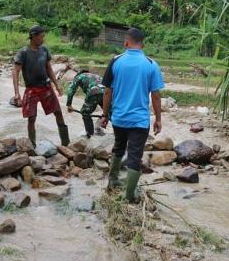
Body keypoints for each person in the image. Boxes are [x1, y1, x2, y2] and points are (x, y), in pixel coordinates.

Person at [101, 28, 164, 203]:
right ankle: (128, 195)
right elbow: (156, 95)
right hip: (139, 120)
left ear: (126, 43)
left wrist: (105, 115)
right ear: (142, 44)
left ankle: (112, 181)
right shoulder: (151, 64)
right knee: (135, 155)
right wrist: (158, 119)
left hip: (119, 119)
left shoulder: (115, 61)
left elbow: (107, 92)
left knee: (118, 148)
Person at [12, 25, 70, 148]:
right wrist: (16, 93)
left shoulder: (44, 50)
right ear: (33, 36)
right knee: (31, 118)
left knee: (58, 112)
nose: (43, 39)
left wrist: (57, 85)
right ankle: (32, 145)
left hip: (46, 87)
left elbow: (48, 68)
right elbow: (15, 72)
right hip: (31, 89)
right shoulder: (23, 52)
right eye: (41, 37)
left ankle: (66, 144)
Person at [66, 69, 105, 138]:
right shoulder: (95, 76)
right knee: (108, 113)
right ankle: (100, 128)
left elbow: (71, 89)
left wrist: (69, 104)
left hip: (94, 91)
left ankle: (89, 134)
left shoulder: (79, 76)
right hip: (106, 92)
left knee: (85, 112)